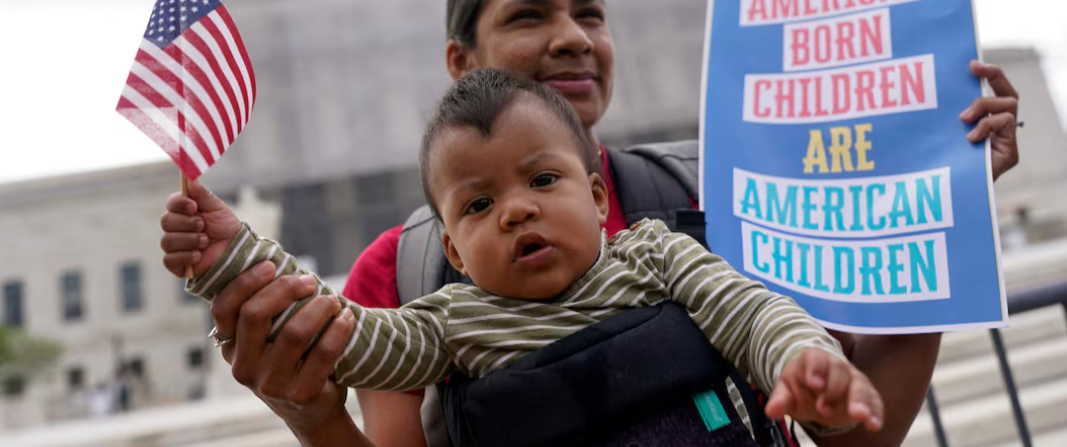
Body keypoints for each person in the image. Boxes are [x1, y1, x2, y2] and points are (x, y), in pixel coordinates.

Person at [182, 0, 1020, 447]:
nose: (572, 37)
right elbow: (338, 331)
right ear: (459, 65)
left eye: (591, 13)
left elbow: (848, 427)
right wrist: (305, 402)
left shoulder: (710, 199)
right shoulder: (410, 282)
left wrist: (941, 202)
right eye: (528, 16)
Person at [163, 68, 884, 443]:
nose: (514, 209)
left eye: (543, 180)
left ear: (598, 199)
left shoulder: (657, 255)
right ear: (453, 249)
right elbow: (344, 334)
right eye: (477, 205)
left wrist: (802, 361)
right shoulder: (447, 321)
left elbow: (750, 312)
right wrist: (233, 255)